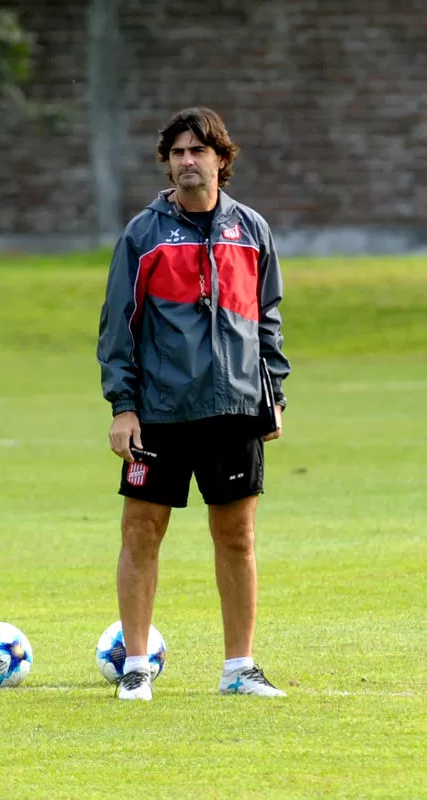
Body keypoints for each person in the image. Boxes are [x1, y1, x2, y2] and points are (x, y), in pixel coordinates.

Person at [97, 106, 290, 702]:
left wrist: (273, 392)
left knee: (237, 536)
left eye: (197, 150)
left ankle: (239, 668)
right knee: (141, 531)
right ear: (168, 161)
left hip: (233, 407)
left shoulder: (251, 231)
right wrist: (123, 406)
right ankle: (135, 666)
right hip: (158, 410)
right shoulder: (144, 234)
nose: (187, 160)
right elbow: (117, 326)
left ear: (220, 160)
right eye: (177, 151)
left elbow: (268, 318)